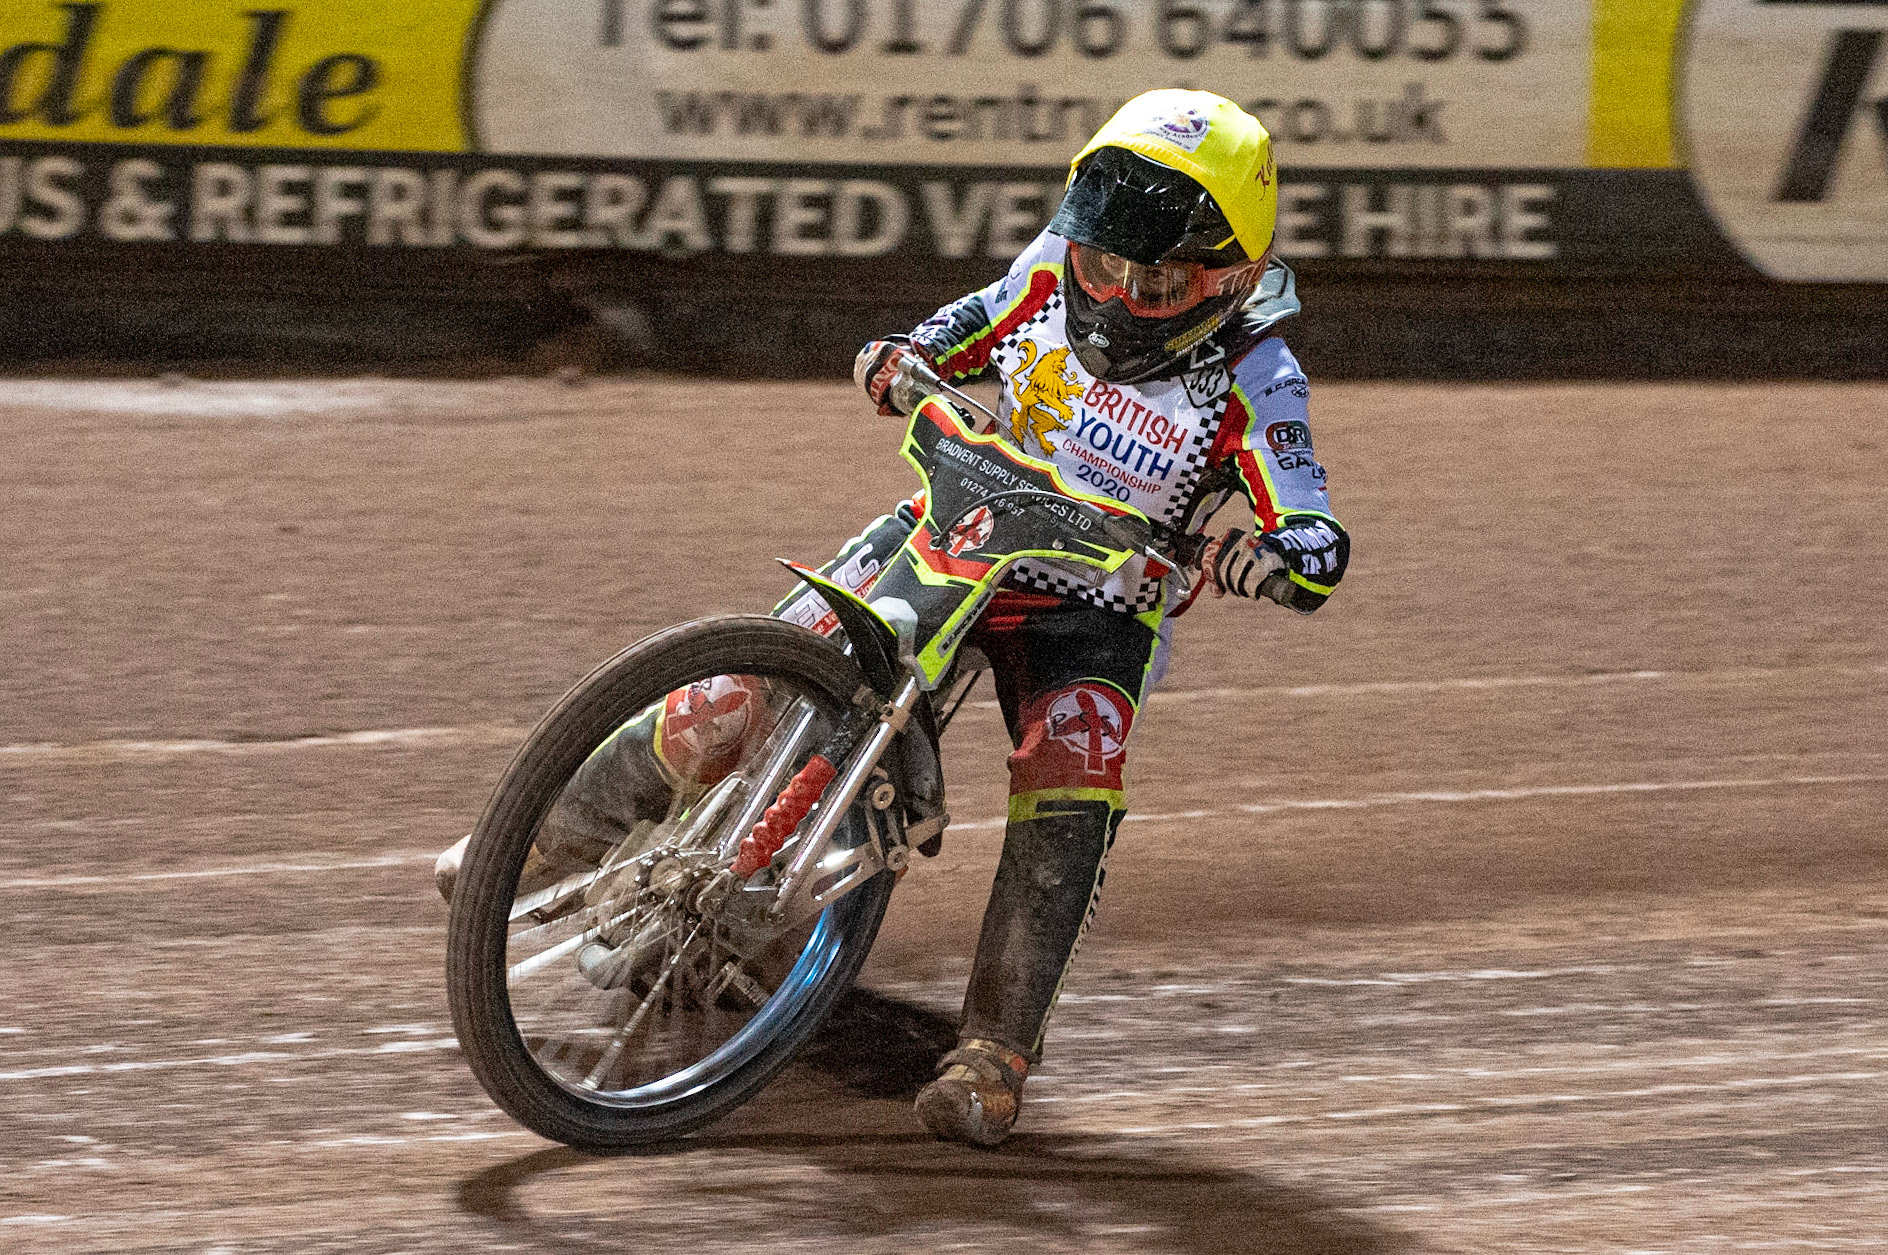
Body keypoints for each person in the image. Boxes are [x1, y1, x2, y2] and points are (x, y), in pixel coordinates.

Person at [438, 88, 1348, 1149]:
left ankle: (993, 1055)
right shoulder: (1051, 268)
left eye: (1148, 277)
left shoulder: (1258, 374)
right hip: (962, 518)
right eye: (1101, 261)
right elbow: (948, 335)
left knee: (1072, 777)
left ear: (1229, 277)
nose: (1108, 286)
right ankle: (543, 840)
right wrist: (894, 358)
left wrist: (1269, 557)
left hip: (1093, 604)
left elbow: (1315, 533)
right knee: (741, 685)